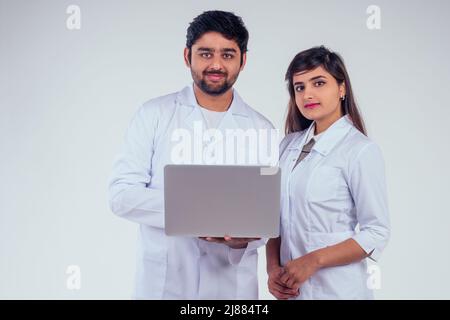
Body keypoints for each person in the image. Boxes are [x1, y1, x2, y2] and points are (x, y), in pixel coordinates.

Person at [109, 10, 275, 299]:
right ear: (187, 56)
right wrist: (197, 211)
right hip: (164, 285)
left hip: (233, 290)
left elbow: (266, 216)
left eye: (227, 54)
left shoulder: (262, 128)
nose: (216, 64)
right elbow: (121, 196)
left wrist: (242, 238)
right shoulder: (154, 115)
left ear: (243, 60)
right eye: (206, 53)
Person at [266, 46, 390, 299]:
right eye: (299, 87)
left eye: (319, 83)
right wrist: (272, 270)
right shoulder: (287, 145)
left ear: (342, 88)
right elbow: (273, 220)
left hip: (338, 291)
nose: (307, 94)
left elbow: (376, 232)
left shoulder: (360, 150)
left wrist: (313, 260)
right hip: (292, 291)